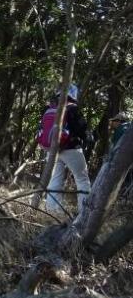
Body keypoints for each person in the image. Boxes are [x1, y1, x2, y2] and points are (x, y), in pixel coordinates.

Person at [39, 85, 91, 216]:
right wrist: (88, 137)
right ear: (73, 95)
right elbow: (81, 129)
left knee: (55, 179)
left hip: (52, 149)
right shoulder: (72, 108)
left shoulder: (50, 108)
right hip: (71, 148)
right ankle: (84, 213)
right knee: (82, 179)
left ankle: (52, 212)